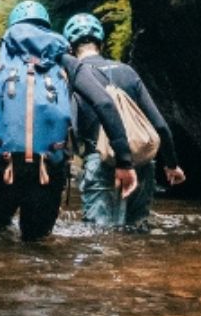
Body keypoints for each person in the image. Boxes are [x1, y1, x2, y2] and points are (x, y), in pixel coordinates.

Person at [0, 0, 137, 241]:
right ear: (47, 27)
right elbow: (105, 104)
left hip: (2, 169)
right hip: (48, 173)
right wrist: (124, 162)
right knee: (38, 247)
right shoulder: (67, 64)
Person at [63, 12, 186, 230]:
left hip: (99, 160)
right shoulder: (127, 72)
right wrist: (172, 164)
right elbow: (159, 126)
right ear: (101, 43)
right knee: (137, 232)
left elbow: (69, 126)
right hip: (141, 163)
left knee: (98, 237)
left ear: (70, 48)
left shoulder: (76, 76)